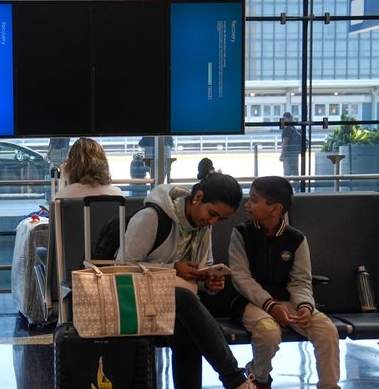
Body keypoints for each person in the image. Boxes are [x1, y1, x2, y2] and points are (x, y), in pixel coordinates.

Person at [121, 158, 254, 389]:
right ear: (198, 197)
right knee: (183, 300)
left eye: (220, 219)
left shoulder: (203, 228)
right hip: (135, 300)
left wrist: (208, 281)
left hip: (178, 305)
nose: (212, 222)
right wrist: (173, 269)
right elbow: (123, 267)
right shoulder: (152, 217)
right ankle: (234, 379)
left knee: (186, 323)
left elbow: (202, 268)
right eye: (212, 214)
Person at [229, 176, 340, 389]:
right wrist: (271, 305)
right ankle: (258, 376)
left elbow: (300, 281)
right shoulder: (241, 233)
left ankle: (329, 385)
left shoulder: (296, 239)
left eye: (254, 200)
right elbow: (241, 278)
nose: (247, 205)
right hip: (250, 304)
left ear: (276, 209)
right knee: (268, 332)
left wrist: (305, 307)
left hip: (289, 303)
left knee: (326, 329)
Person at [54, 137, 123, 199]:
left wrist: (64, 179)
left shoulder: (63, 196)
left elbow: (57, 209)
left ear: (71, 165)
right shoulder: (117, 194)